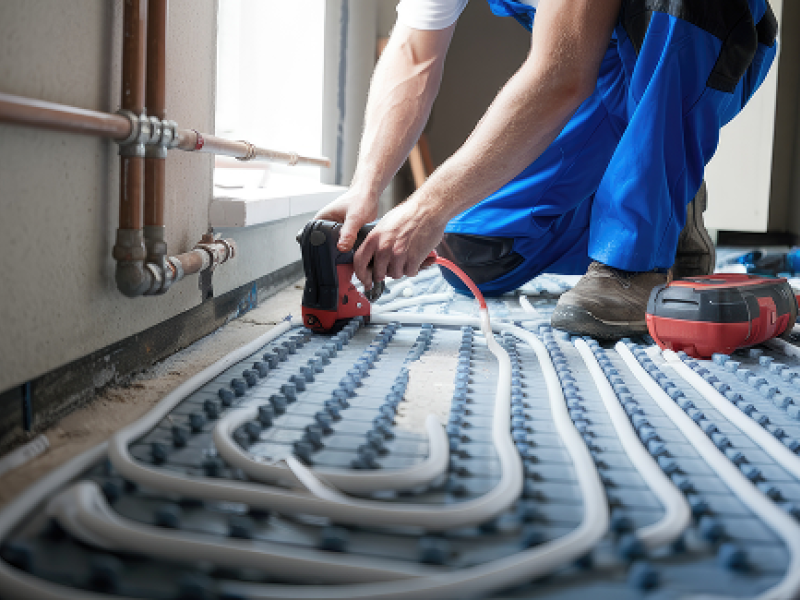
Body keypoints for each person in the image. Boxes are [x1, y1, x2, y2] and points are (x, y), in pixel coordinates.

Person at [315, 0, 778, 338]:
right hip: (606, 63)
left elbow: (561, 76)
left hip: (699, 34)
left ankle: (635, 262)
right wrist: (365, 187)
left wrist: (424, 209)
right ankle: (667, 203)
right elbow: (414, 57)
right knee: (474, 254)